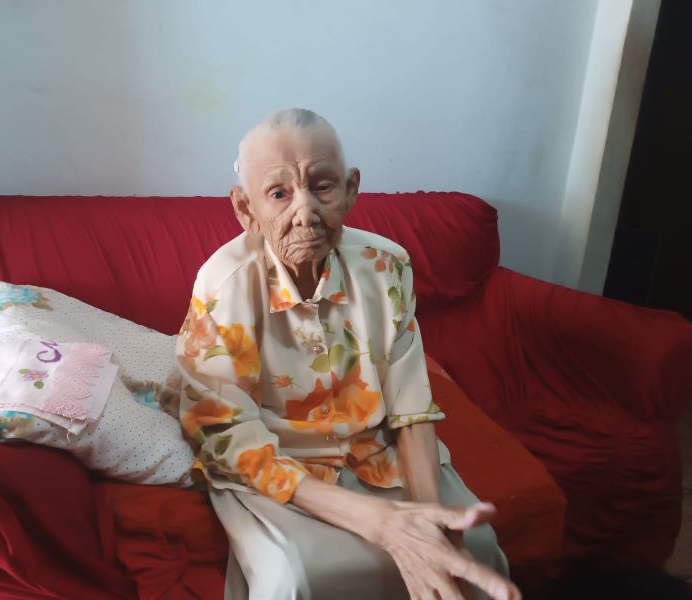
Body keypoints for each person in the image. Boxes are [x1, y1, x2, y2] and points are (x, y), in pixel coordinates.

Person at [175, 108, 520, 600]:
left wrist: (430, 519)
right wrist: (379, 523)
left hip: (377, 456)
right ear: (245, 208)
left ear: (351, 188)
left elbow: (410, 408)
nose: (305, 212)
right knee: (299, 577)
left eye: (322, 187)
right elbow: (225, 432)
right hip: (279, 471)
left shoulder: (386, 265)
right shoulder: (224, 283)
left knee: (472, 552)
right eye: (279, 194)